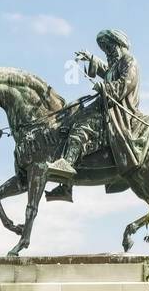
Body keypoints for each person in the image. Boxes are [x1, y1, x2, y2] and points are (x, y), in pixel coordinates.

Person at [45, 29, 143, 184]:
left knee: (84, 126)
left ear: (118, 44)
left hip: (118, 108)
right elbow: (107, 71)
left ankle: (67, 164)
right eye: (105, 50)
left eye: (109, 48)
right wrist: (91, 58)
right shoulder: (117, 63)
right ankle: (65, 184)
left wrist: (106, 88)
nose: (107, 52)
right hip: (106, 103)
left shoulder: (129, 61)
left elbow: (126, 83)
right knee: (72, 113)